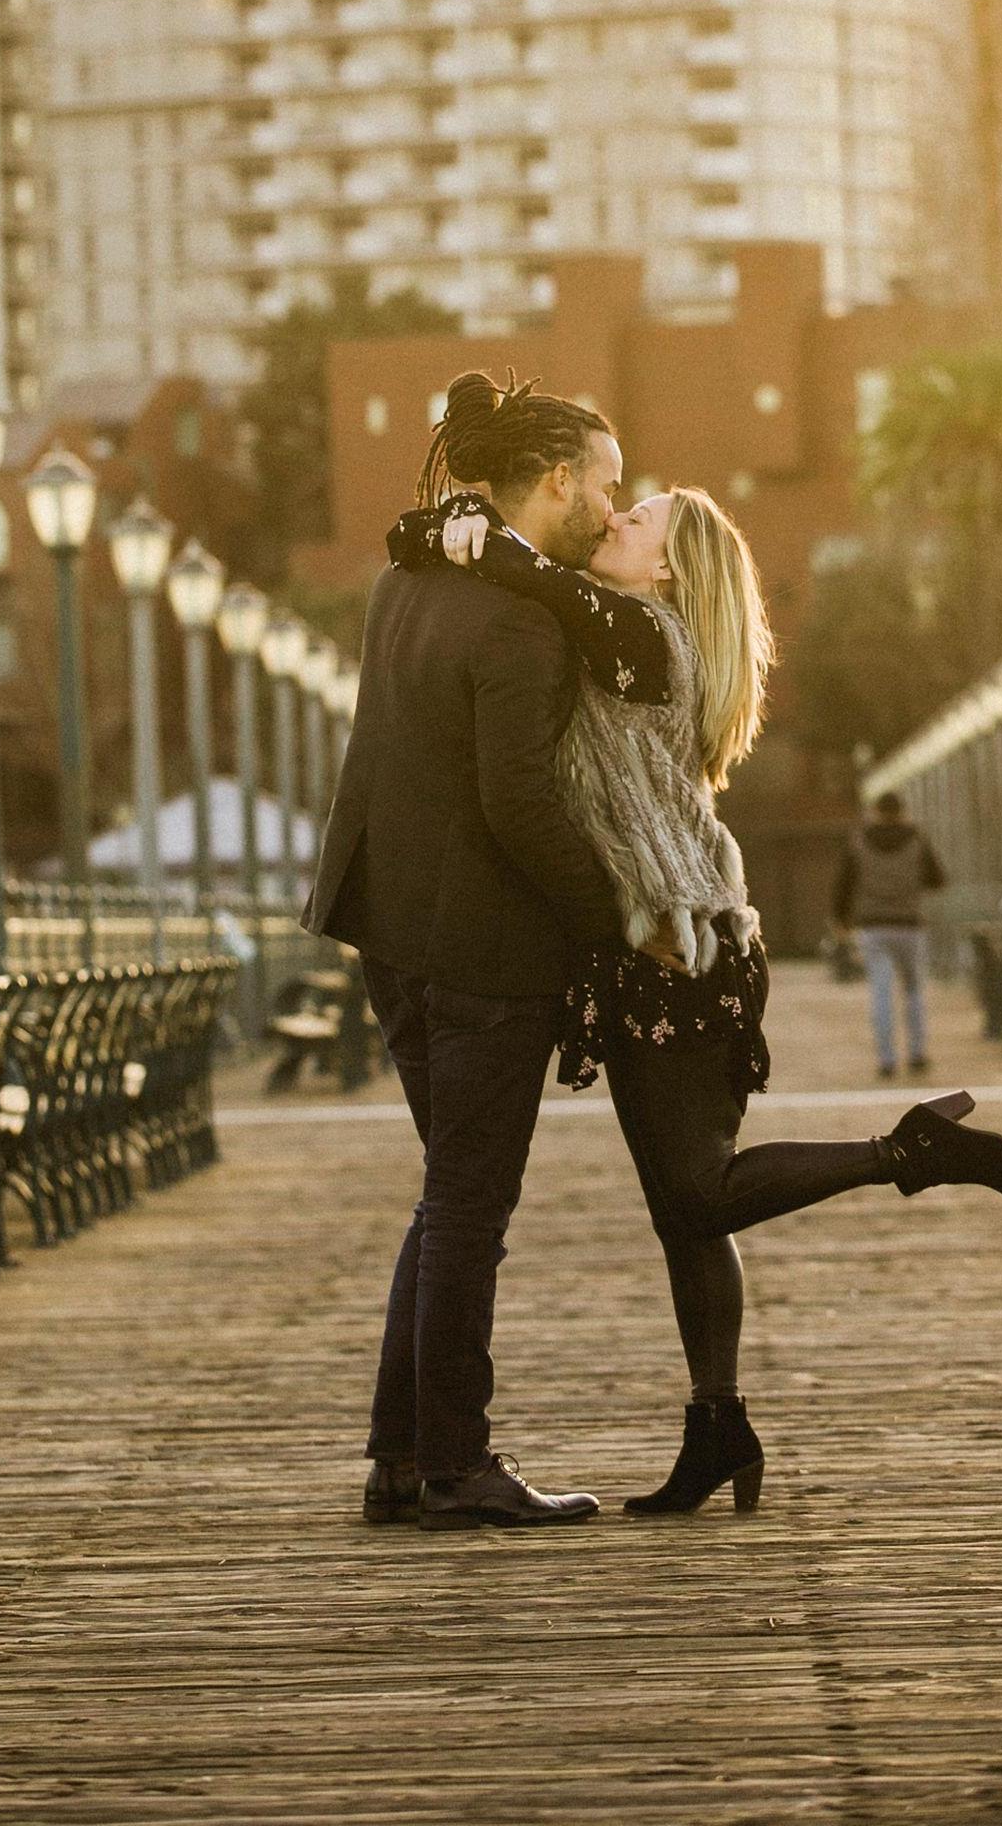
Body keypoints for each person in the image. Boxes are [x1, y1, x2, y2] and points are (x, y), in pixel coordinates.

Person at [391, 483, 1002, 1523]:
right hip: (669, 942)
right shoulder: (622, 630)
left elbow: (527, 573)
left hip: (681, 948)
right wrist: (437, 525)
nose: (614, 520)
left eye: (636, 519)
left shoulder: (644, 637)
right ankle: (717, 1425)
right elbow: (507, 569)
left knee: (697, 1194)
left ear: (669, 569)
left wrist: (462, 531)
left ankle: (907, 1150)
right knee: (682, 1213)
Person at [304, 371, 656, 1531]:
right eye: (606, 485)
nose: (614, 507)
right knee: (467, 1208)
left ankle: (403, 1458)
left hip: (390, 928)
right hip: (481, 953)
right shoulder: (521, 620)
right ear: (554, 481)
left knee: (446, 1196)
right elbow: (520, 806)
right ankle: (456, 1464)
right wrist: (615, 919)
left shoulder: (407, 581)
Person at [832, 788, 950, 1080]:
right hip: (909, 925)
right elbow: (937, 879)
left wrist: (841, 920)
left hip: (873, 926)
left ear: (876, 812)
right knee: (913, 991)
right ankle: (917, 1054)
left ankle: (886, 1060)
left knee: (881, 992)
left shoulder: (859, 840)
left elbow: (843, 885)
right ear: (902, 811)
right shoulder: (917, 838)